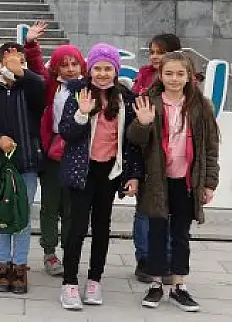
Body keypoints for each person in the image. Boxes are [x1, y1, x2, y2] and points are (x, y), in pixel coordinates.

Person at [130, 52, 219, 312]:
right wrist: (143, 123)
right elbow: (134, 141)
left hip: (187, 180)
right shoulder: (149, 102)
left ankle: (179, 285)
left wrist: (209, 183)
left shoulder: (201, 106)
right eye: (169, 73)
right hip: (157, 179)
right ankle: (156, 283)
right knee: (157, 232)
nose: (174, 79)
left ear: (189, 76)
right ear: (160, 75)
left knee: (181, 234)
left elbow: (211, 148)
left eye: (180, 74)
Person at [59, 43, 143, 311]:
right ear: (90, 69)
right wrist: (82, 113)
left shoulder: (126, 99)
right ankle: (69, 282)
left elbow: (133, 145)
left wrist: (134, 175)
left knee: (102, 228)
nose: (103, 74)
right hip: (82, 171)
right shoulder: (77, 92)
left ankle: (95, 280)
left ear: (116, 71)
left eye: (109, 69)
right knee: (77, 227)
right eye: (98, 68)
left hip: (110, 172)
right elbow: (66, 133)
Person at [0, 42, 46, 294]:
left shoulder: (30, 89)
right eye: (8, 60)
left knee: (22, 216)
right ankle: (3, 266)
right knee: (3, 214)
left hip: (26, 162)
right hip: (0, 165)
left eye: (19, 60)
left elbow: (41, 87)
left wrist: (23, 73)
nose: (13, 64)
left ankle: (20, 266)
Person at [24, 28, 85, 278]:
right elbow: (36, 66)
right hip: (52, 153)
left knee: (72, 208)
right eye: (64, 64)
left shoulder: (88, 88)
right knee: (50, 205)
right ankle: (49, 252)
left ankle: (70, 250)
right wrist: (30, 44)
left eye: (74, 64)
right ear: (57, 68)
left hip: (78, 154)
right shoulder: (52, 87)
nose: (70, 69)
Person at [131, 32, 183, 282]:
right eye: (152, 51)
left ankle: (168, 260)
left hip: (177, 162)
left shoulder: (188, 87)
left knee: (172, 213)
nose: (154, 56)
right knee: (145, 211)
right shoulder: (142, 80)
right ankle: (145, 258)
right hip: (147, 156)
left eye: (160, 52)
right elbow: (133, 123)